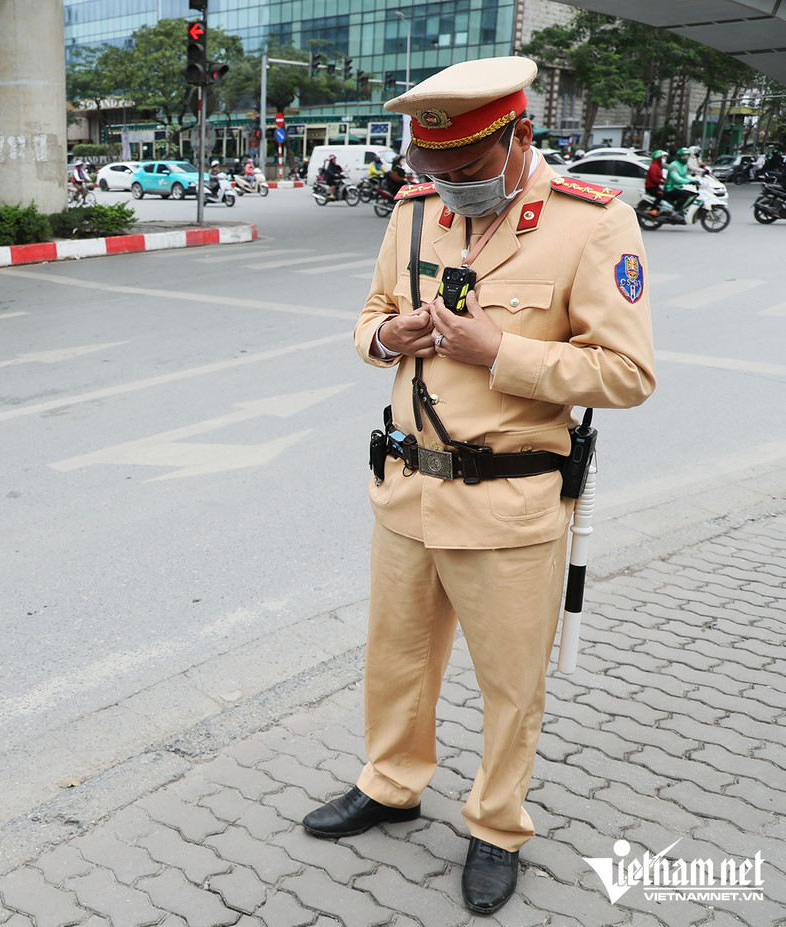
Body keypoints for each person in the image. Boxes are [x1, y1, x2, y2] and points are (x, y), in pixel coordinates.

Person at [306, 56, 655, 916]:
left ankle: (497, 824)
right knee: (395, 662)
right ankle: (391, 782)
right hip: (407, 489)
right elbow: (367, 317)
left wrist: (497, 353)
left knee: (509, 681)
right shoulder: (415, 214)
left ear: (517, 139)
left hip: (510, 501)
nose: (448, 187)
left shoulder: (590, 225)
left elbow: (628, 372)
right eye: (433, 171)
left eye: (464, 172)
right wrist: (395, 334)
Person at [663, 148, 695, 215]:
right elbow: (676, 178)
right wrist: (688, 182)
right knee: (685, 195)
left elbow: (684, 177)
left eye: (687, 156)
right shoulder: (674, 165)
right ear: (679, 156)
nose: (685, 158)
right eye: (683, 156)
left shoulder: (684, 166)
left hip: (678, 187)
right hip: (670, 188)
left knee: (692, 194)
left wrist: (694, 180)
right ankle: (676, 210)